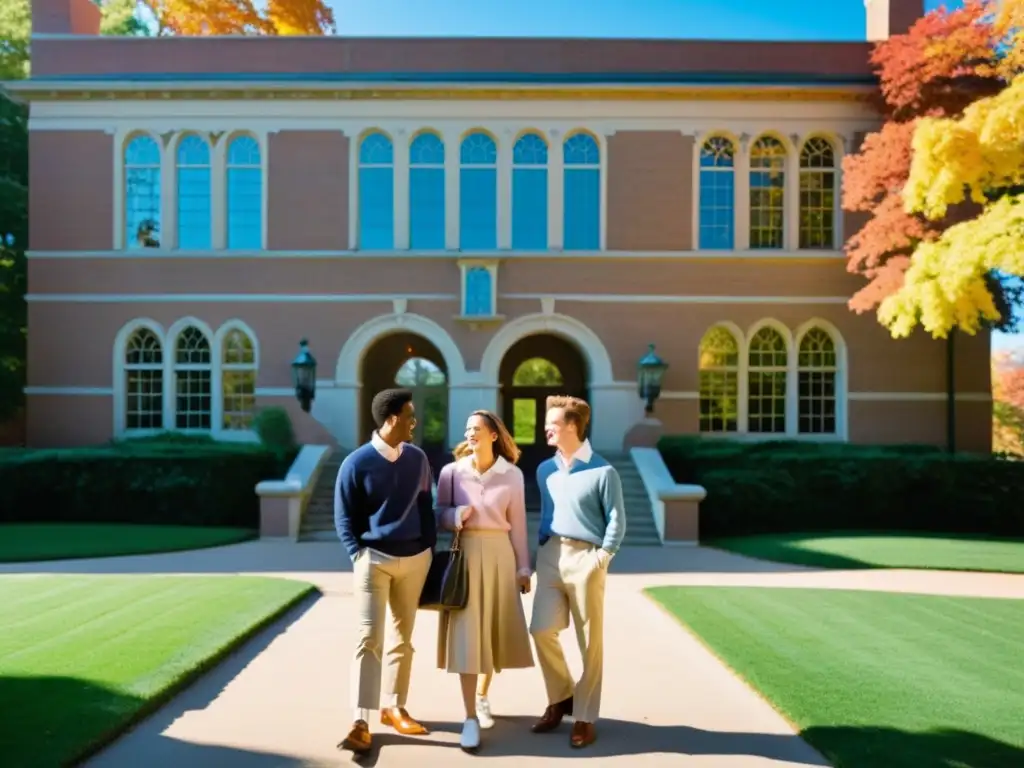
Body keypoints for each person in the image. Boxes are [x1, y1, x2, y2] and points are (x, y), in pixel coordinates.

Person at [334, 388, 437, 755]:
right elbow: (344, 516)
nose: (414, 421)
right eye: (410, 415)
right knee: (368, 638)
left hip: (414, 560)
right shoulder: (356, 462)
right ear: (392, 418)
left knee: (402, 639)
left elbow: (427, 505)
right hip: (372, 559)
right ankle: (361, 720)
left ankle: (394, 707)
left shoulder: (418, 459)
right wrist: (357, 554)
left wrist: (428, 549)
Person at [528, 395, 626, 749]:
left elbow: (617, 519)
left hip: (587, 558)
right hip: (550, 555)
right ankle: (561, 695)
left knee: (589, 643)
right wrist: (541, 544)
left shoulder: (603, 471)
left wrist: (602, 558)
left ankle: (584, 717)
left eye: (553, 423)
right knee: (540, 629)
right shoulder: (544, 470)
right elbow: (548, 510)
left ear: (572, 426)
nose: (546, 429)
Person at [435, 410, 535, 751]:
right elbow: (437, 516)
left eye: (477, 429)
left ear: (494, 434)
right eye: (467, 429)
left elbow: (519, 525)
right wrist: (452, 516)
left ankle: (481, 696)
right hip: (464, 556)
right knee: (466, 638)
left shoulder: (513, 476)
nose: (470, 433)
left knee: (490, 635)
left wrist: (524, 568)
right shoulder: (451, 473)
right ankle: (469, 718)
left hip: (500, 556)